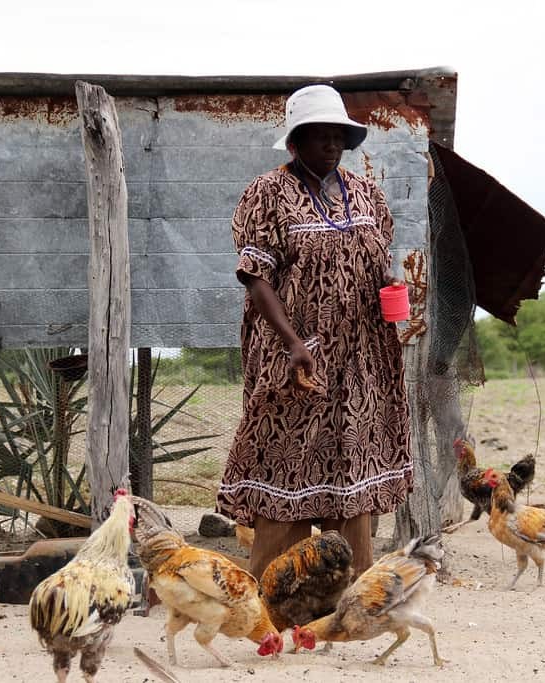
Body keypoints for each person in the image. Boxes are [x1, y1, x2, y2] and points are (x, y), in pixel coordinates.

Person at [217, 84, 412, 578]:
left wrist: (390, 278)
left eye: (338, 135)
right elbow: (256, 276)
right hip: (296, 354)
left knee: (352, 463)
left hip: (362, 355)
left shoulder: (366, 192)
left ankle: (347, 601)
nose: (330, 143)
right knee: (286, 459)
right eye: (318, 134)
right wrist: (293, 343)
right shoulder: (268, 193)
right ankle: (275, 598)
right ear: (294, 142)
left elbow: (380, 255)